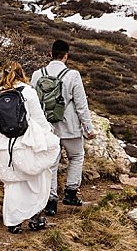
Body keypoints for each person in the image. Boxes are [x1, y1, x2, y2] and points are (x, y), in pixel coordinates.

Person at [0, 62, 59, 233]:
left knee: (12, 185)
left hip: (4, 149)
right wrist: (50, 135)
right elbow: (39, 120)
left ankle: (13, 222)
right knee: (36, 181)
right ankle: (35, 219)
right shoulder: (28, 92)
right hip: (25, 146)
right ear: (22, 74)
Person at [31, 38, 94, 213]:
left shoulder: (38, 74)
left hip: (47, 129)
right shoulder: (72, 75)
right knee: (76, 157)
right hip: (70, 128)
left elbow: (32, 102)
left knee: (52, 164)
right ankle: (71, 194)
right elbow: (81, 105)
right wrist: (88, 128)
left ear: (50, 54)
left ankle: (50, 202)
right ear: (66, 56)